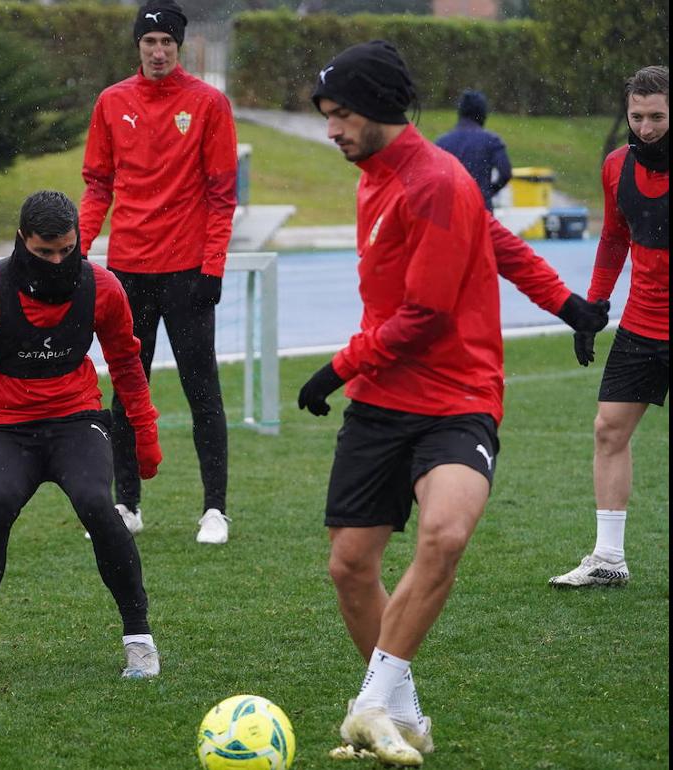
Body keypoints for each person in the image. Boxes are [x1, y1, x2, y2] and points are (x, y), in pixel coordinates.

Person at [301, 41, 610, 766]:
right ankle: (402, 715)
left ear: (379, 108)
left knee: (444, 534)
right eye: (326, 115)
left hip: (456, 395)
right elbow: (495, 238)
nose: (330, 130)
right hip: (382, 398)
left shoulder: (435, 179)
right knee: (350, 567)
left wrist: (334, 369)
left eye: (341, 115)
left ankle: (370, 705)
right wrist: (565, 301)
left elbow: (427, 315)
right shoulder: (372, 174)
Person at [0, 190, 163, 681]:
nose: (58, 261)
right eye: (44, 252)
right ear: (22, 240)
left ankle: (139, 638)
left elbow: (126, 362)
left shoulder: (103, 287)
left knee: (97, 504)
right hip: (4, 426)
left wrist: (145, 432)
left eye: (67, 249)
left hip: (75, 419)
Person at [79, 0, 238, 544]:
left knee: (202, 392)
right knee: (127, 389)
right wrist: (75, 252)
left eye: (167, 42)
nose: (158, 51)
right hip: (127, 271)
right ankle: (127, 506)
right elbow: (98, 184)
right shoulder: (112, 102)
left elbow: (222, 194)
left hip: (188, 271)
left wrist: (212, 265)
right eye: (149, 42)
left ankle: (214, 509)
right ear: (137, 46)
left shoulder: (209, 103)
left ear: (180, 45)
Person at [550, 65, 669, 588]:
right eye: (637, 116)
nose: (646, 128)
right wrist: (592, 307)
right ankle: (608, 559)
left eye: (658, 117)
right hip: (642, 324)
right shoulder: (616, 165)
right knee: (608, 431)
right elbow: (614, 239)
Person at [435, 90, 512, 211]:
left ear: (460, 113)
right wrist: (489, 191)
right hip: (481, 210)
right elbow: (505, 173)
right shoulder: (491, 141)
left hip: (450, 212)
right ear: (483, 114)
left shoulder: (442, 143)